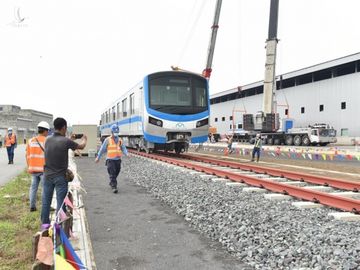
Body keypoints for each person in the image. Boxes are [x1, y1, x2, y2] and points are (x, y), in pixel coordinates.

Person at [41, 118, 87, 225]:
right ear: (64, 128)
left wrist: (69, 139)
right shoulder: (66, 141)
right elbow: (82, 146)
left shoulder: (47, 139)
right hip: (60, 177)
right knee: (60, 203)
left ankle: (45, 226)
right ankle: (59, 226)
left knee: (46, 202)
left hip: (47, 176)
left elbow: (57, 145)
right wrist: (84, 139)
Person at [95, 124, 129, 194]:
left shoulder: (120, 140)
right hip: (110, 160)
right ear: (112, 132)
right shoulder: (107, 140)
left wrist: (127, 153)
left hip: (118, 159)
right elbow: (102, 149)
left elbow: (123, 148)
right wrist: (98, 157)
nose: (116, 133)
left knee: (117, 171)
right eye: (115, 132)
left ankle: (112, 182)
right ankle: (114, 186)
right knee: (112, 173)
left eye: (117, 132)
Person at [26, 121, 50, 212]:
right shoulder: (47, 141)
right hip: (43, 169)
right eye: (47, 131)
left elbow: (27, 155)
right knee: (45, 188)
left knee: (33, 188)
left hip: (33, 169)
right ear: (45, 131)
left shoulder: (30, 141)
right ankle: (45, 207)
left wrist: (29, 166)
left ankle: (32, 206)